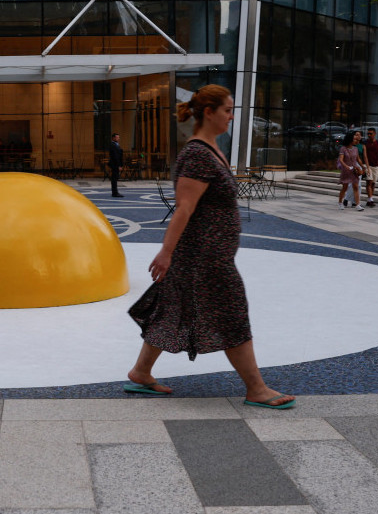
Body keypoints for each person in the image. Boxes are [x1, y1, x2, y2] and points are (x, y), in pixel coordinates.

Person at [125, 84, 295, 410]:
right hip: (204, 256)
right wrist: (166, 252)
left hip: (208, 252)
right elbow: (184, 208)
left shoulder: (211, 148)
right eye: (227, 110)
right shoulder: (197, 154)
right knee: (232, 313)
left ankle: (141, 371)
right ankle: (256, 388)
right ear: (209, 112)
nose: (231, 116)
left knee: (170, 308)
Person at [337, 131, 365, 211]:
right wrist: (346, 166)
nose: (355, 140)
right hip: (346, 170)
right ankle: (340, 202)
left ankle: (357, 204)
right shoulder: (343, 148)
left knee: (356, 187)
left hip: (354, 170)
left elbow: (358, 159)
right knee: (344, 187)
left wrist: (363, 166)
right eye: (354, 139)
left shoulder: (355, 149)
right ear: (350, 140)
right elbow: (341, 160)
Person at [363, 128, 378, 207]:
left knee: (373, 183)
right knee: (369, 182)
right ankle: (371, 199)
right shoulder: (365, 143)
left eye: (371, 133)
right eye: (368, 134)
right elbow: (365, 155)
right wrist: (366, 166)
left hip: (375, 165)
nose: (369, 135)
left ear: (374, 134)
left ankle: (369, 199)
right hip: (368, 165)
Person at [108, 133, 123, 197]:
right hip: (115, 165)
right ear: (113, 138)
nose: (118, 139)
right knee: (114, 179)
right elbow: (115, 156)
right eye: (117, 137)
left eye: (118, 137)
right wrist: (118, 165)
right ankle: (114, 192)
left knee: (115, 178)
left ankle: (115, 192)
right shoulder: (113, 145)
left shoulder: (116, 145)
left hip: (116, 164)